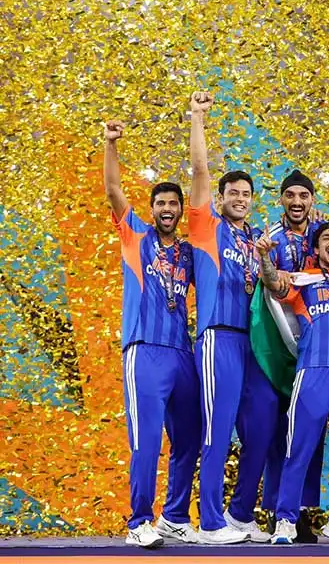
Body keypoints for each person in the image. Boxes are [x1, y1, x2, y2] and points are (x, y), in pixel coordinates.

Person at [104, 121, 201, 548]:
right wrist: (111, 144)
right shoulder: (136, 235)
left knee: (191, 438)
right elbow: (112, 190)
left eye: (173, 203)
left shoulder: (188, 252)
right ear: (152, 208)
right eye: (160, 202)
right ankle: (138, 521)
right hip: (144, 351)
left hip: (182, 354)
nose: (167, 209)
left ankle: (174, 516)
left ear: (180, 211)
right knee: (145, 442)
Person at [255, 221, 329, 545]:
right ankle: (285, 520)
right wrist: (264, 258)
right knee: (299, 449)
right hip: (314, 373)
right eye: (326, 239)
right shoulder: (305, 278)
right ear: (316, 249)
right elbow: (273, 282)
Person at [186, 90, 268, 544]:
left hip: (251, 346)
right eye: (232, 193)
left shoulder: (254, 238)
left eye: (245, 194)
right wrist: (197, 118)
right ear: (219, 198)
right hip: (218, 338)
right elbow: (199, 171)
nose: (239, 198)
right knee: (218, 431)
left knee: (262, 426)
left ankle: (239, 514)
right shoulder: (207, 228)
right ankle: (210, 522)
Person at [258, 170, 327, 543]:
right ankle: (274, 510)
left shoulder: (323, 235)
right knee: (278, 433)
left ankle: (302, 512)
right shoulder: (269, 238)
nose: (297, 202)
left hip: (315, 346)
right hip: (279, 344)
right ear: (281, 199)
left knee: (310, 433)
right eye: (291, 195)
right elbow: (264, 281)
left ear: (312, 200)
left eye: (304, 195)